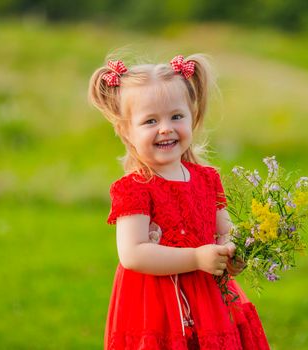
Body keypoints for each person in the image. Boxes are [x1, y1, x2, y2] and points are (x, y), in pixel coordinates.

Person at [88, 53, 270, 350]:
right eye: (150, 121)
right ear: (126, 131)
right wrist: (197, 258)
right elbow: (132, 254)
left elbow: (224, 229)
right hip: (155, 307)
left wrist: (233, 253)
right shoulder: (134, 188)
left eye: (176, 116)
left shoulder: (207, 178)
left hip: (209, 299)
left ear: (192, 117)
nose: (166, 128)